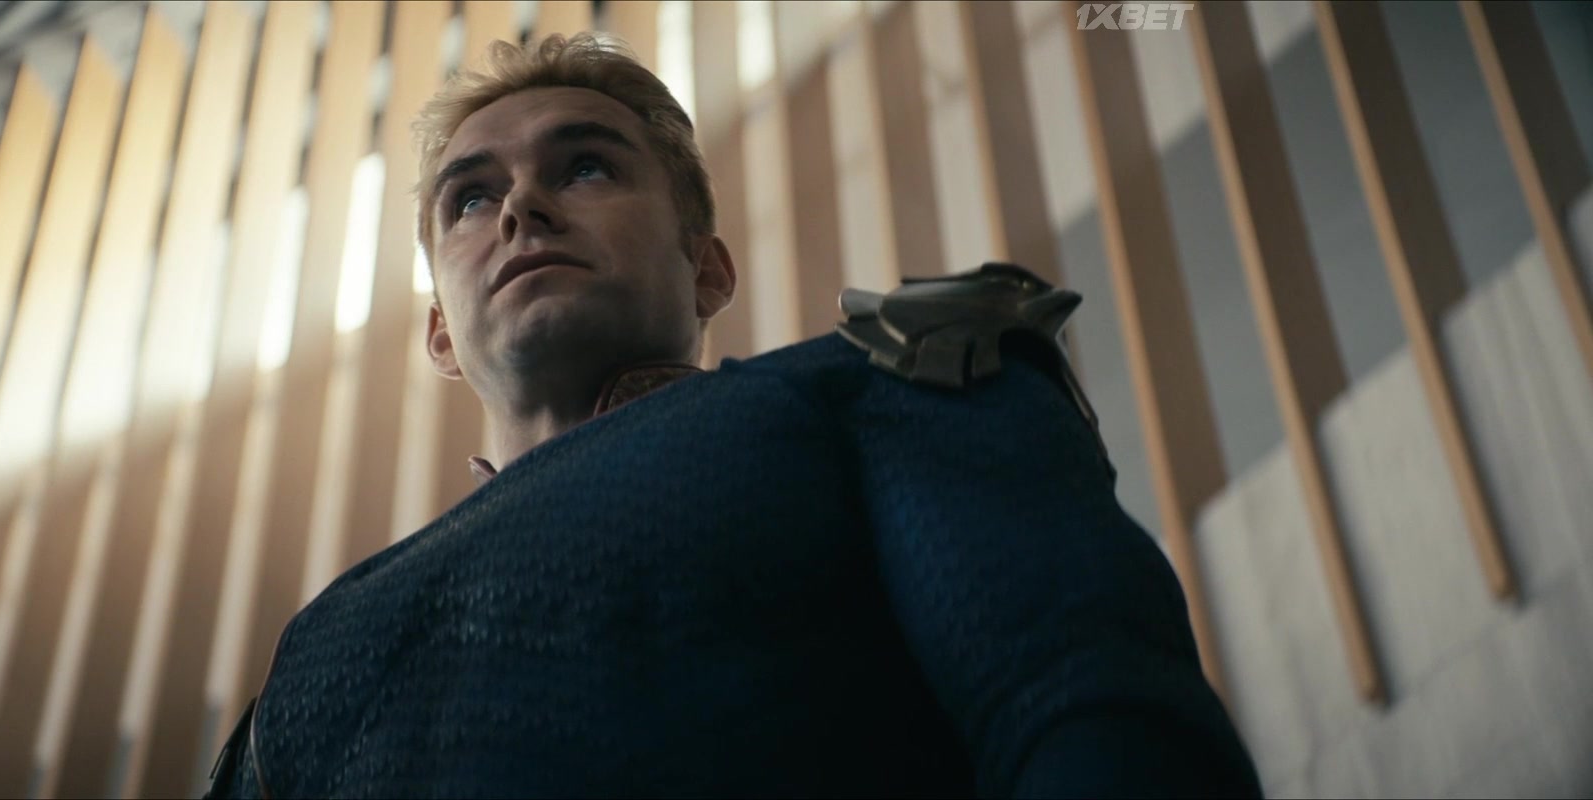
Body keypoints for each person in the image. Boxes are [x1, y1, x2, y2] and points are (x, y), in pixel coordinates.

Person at [205, 33, 1261, 799]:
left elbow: (1091, 708)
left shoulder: (884, 379)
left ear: (707, 268)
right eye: (470, 198)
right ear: (441, 333)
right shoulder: (315, 646)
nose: (521, 206)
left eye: (585, 165)